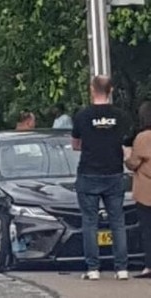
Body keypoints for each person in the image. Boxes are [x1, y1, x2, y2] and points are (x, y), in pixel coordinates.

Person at [71, 75, 130, 280]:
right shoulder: (120, 116)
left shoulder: (82, 116)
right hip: (114, 172)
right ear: (111, 90)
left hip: (88, 173)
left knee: (90, 222)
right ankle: (121, 269)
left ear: (91, 89)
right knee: (117, 221)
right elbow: (125, 142)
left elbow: (75, 144)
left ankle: (93, 269)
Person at [124, 101, 151, 278]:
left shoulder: (142, 137)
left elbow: (133, 163)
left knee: (147, 230)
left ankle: (149, 266)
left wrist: (126, 156)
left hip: (146, 192)